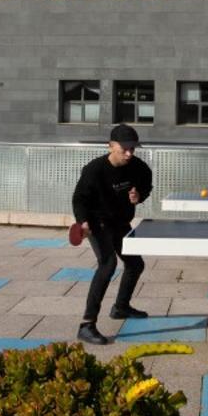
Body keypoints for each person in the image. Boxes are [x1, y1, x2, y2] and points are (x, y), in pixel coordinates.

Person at [71, 124, 153, 345]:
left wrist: (139, 195)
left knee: (135, 264)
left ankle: (121, 307)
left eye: (132, 149)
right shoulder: (94, 170)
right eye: (124, 149)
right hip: (97, 223)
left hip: (120, 222)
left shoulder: (138, 167)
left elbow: (147, 183)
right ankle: (86, 325)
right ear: (110, 146)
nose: (129, 153)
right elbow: (79, 198)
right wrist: (83, 221)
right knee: (108, 265)